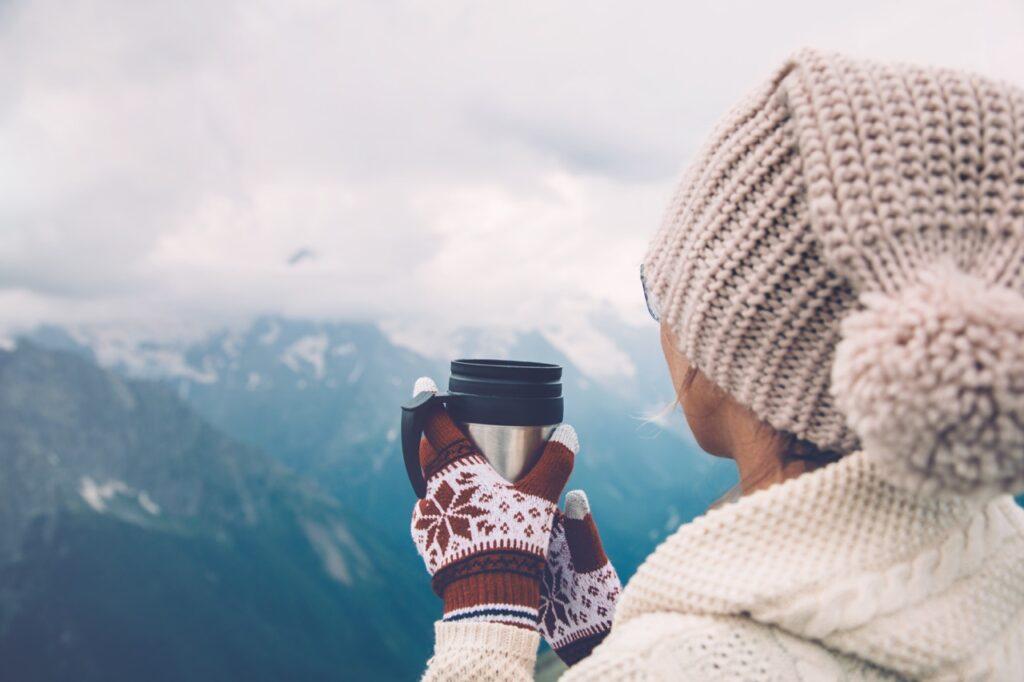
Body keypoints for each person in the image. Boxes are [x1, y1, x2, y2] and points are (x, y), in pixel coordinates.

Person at [410, 48, 1024, 680]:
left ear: (735, 336)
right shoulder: (1004, 562)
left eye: (663, 293)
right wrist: (611, 647)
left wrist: (483, 607)